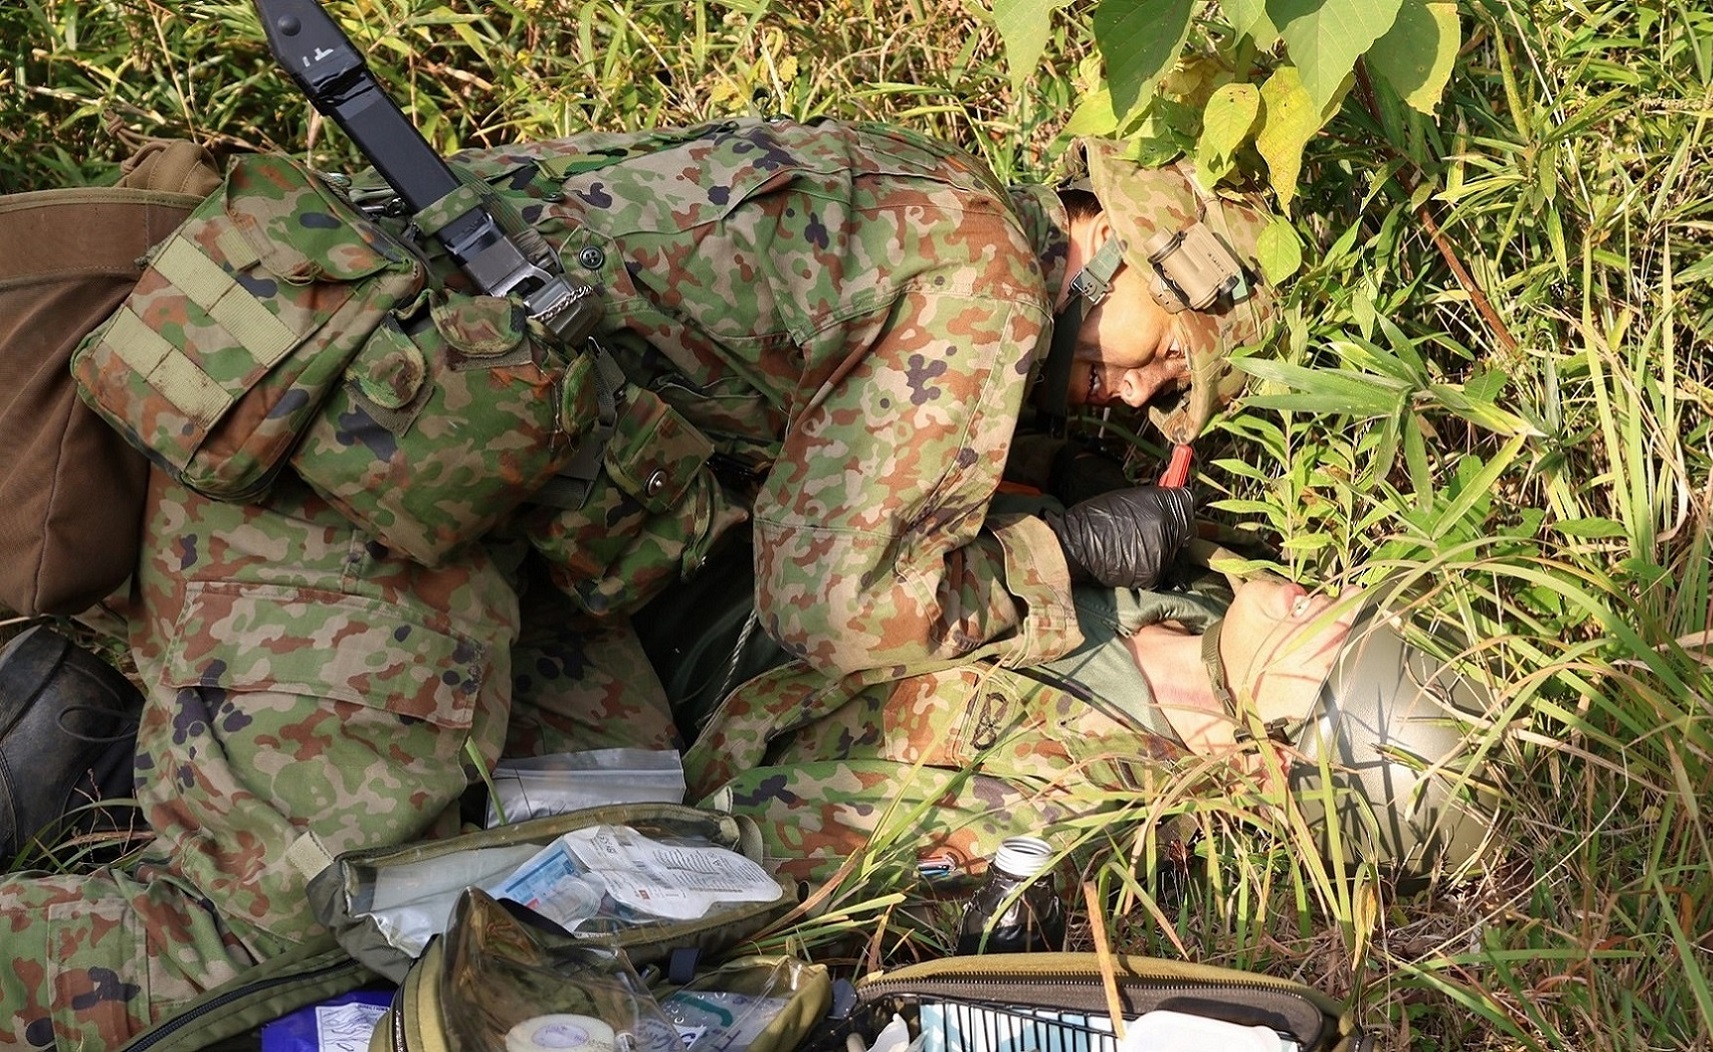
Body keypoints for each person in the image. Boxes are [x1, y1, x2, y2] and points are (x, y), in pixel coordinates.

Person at [0, 118, 1280, 1046]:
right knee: (266, 936)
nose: (1134, 390)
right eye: (1161, 352)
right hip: (358, 471)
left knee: (609, 842)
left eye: (1166, 395)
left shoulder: (912, 188)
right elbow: (840, 609)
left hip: (444, 470)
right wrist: (1065, 556)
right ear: (1104, 237)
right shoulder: (985, 279)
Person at [640, 544, 1499, 890]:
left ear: (1278, 758)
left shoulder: (1054, 805)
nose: (1334, 602)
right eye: (1360, 609)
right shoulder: (1201, 606)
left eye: (1341, 646)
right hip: (726, 537)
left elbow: (718, 849)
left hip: (659, 661)